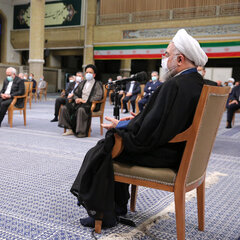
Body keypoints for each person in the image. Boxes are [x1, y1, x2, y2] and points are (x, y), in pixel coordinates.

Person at [71, 29, 208, 229]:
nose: (164, 59)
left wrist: (123, 126)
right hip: (187, 153)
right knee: (116, 139)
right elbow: (163, 120)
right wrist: (133, 121)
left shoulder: (175, 85)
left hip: (167, 154)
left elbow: (149, 130)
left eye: (166, 55)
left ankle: (104, 214)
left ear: (179, 59)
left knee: (106, 147)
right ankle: (117, 206)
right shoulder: (197, 83)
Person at [59, 64, 103, 138]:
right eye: (87, 72)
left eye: (90, 72)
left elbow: (99, 96)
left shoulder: (97, 84)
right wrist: (76, 99)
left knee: (81, 109)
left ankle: (81, 131)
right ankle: (71, 128)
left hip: (90, 104)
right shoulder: (82, 83)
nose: (88, 74)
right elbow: (75, 93)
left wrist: (84, 101)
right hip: (79, 103)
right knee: (65, 108)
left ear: (94, 75)